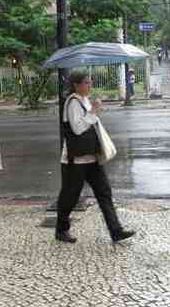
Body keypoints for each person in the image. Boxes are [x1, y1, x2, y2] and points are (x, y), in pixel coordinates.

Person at [55, 72, 135, 244]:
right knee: (70, 196)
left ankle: (116, 231)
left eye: (90, 82)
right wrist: (93, 111)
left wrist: (92, 110)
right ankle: (61, 229)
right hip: (75, 160)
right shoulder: (72, 102)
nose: (90, 85)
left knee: (104, 192)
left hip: (91, 157)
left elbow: (89, 122)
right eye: (86, 83)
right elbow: (77, 128)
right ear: (76, 85)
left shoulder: (84, 100)